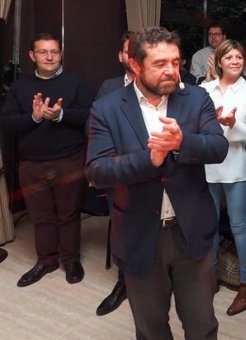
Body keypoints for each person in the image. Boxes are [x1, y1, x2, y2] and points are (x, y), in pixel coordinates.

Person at [85, 26, 227, 339]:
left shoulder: (196, 98)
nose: (171, 71)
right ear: (135, 65)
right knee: (151, 330)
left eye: (176, 62)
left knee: (202, 326)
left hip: (191, 234)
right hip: (139, 235)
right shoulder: (107, 108)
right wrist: (149, 160)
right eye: (160, 64)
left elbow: (218, 148)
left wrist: (181, 142)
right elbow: (96, 171)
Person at [0, 33, 92, 288]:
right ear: (32, 56)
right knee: (40, 216)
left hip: (69, 160)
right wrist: (34, 117)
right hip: (31, 164)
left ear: (61, 54)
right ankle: (46, 260)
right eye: (43, 52)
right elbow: (7, 123)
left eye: (54, 51)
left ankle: (71, 259)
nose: (49, 57)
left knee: (69, 214)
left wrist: (61, 115)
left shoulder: (76, 81)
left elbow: (89, 115)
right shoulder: (20, 87)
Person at [200, 39, 246, 316]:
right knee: (208, 223)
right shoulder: (203, 90)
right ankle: (210, 275)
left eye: (239, 57)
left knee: (239, 226)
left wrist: (234, 124)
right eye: (229, 57)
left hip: (238, 165)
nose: (235, 61)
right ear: (219, 61)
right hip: (208, 165)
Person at [94, 31, 135, 317]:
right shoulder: (108, 87)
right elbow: (95, 127)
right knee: (121, 229)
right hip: (118, 174)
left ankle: (153, 282)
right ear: (121, 56)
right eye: (128, 51)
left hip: (155, 173)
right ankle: (123, 283)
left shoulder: (161, 85)